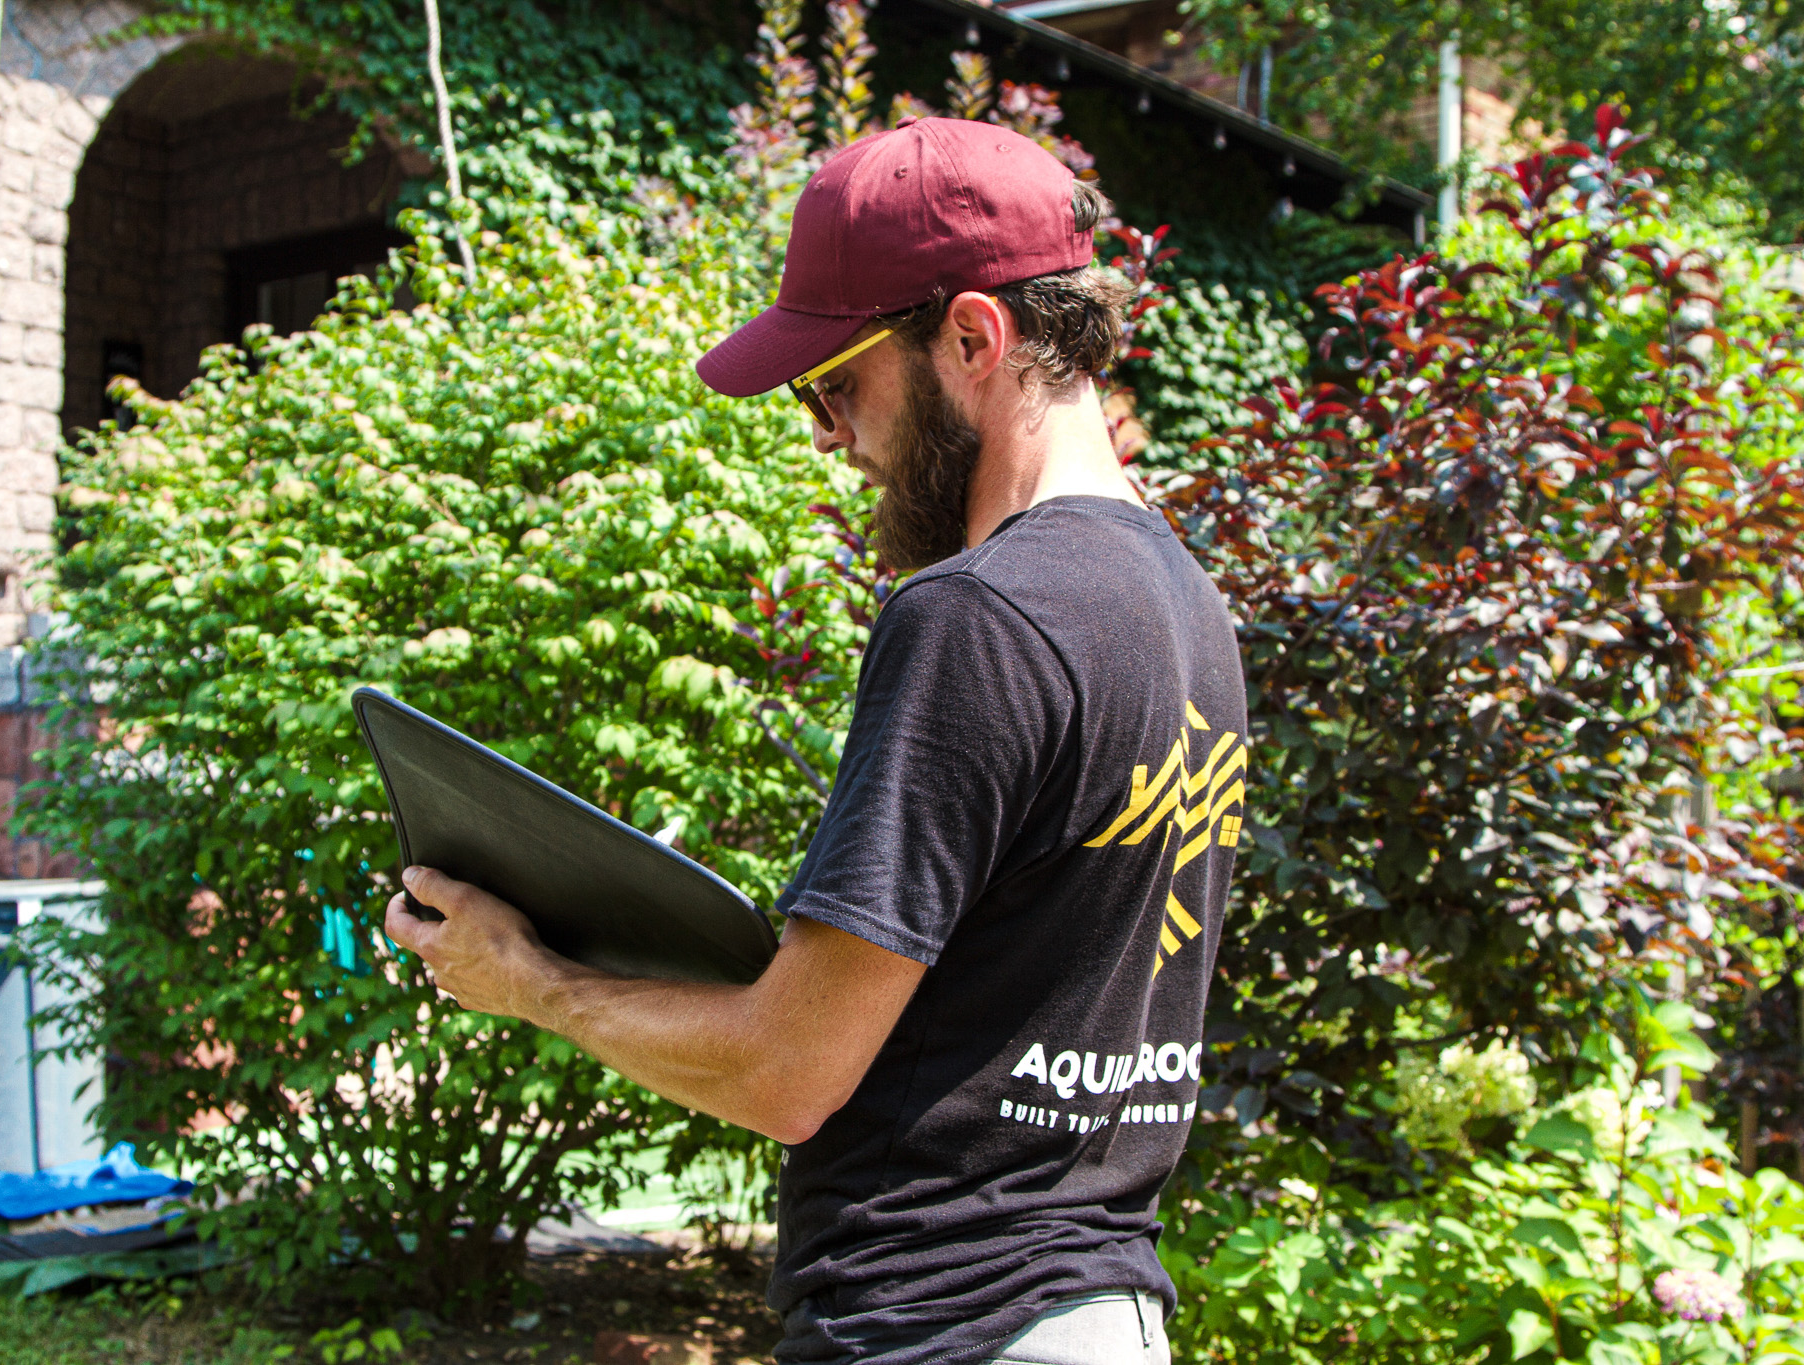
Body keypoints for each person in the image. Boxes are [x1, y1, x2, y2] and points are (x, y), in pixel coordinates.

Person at [385, 117, 1247, 1365]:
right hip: (1099, 1314)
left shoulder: (976, 616)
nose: (822, 434)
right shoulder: (1185, 605)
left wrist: (530, 980)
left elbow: (787, 1073)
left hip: (939, 1323)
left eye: (836, 383)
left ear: (971, 338)